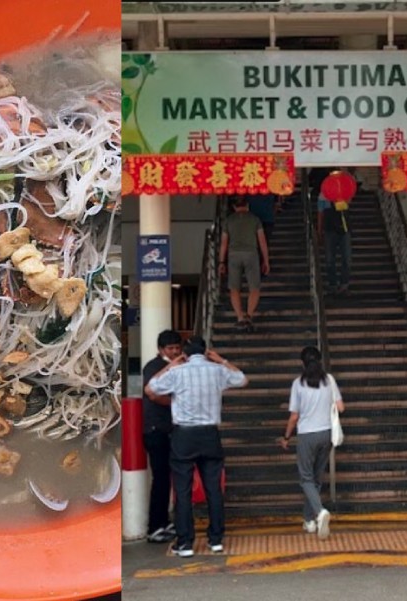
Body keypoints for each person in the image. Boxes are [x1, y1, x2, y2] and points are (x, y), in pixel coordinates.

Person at [145, 335, 248, 558]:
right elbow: (241, 379)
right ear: (206, 352)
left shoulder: (177, 372)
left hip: (184, 435)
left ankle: (185, 543)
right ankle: (216, 540)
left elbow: (151, 388)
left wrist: (171, 365)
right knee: (214, 489)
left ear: (186, 354)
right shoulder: (217, 370)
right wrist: (220, 360)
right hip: (210, 434)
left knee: (182, 491)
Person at [279, 346, 344, 540]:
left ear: (302, 363)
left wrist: (286, 437)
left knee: (306, 478)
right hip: (326, 434)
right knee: (315, 478)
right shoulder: (329, 380)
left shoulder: (298, 384)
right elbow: (341, 407)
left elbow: (294, 416)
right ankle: (309, 520)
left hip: (307, 435)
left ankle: (320, 512)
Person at [142, 329, 183, 543]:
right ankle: (154, 526)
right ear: (161, 350)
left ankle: (163, 522)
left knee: (165, 478)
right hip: (156, 430)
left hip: (166, 429)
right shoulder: (154, 367)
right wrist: (179, 404)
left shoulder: (174, 366)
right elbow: (153, 395)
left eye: (178, 347)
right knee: (160, 479)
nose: (175, 351)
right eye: (171, 348)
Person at [219, 196, 270, 332]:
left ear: (234, 207)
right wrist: (266, 260)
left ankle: (240, 317)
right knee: (254, 287)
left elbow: (224, 243)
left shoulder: (229, 221)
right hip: (251, 254)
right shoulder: (255, 219)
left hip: (233, 255)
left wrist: (221, 262)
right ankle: (249, 315)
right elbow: (262, 242)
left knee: (234, 288)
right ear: (247, 206)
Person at [317, 181, 353, 296]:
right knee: (329, 260)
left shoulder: (343, 192)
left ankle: (344, 284)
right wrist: (319, 230)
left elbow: (348, 203)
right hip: (329, 229)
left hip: (343, 228)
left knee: (346, 259)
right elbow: (320, 213)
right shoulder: (323, 195)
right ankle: (332, 284)